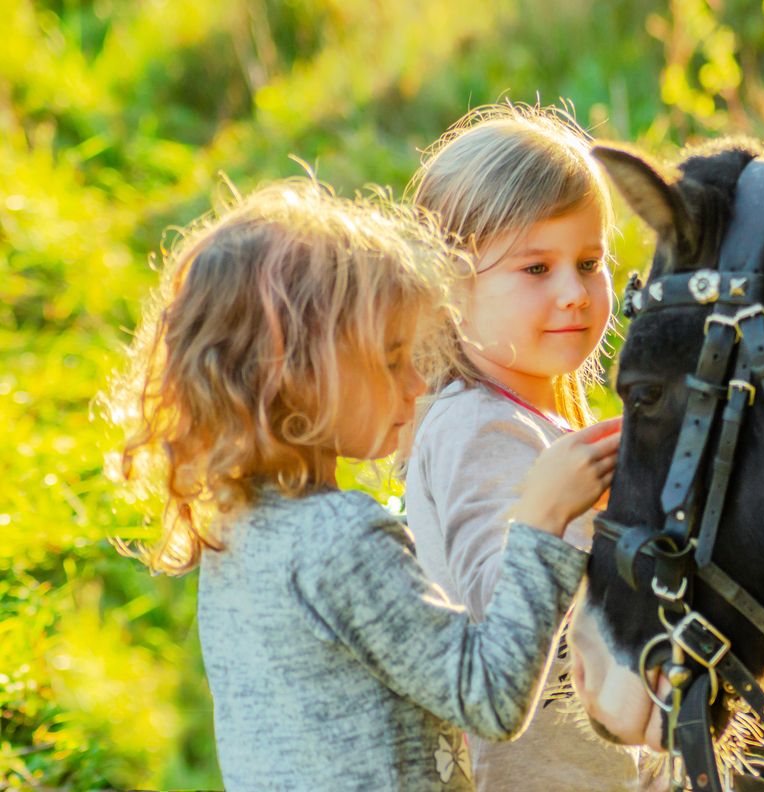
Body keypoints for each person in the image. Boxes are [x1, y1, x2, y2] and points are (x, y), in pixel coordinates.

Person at [103, 178, 622, 791]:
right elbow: (491, 698)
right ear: (300, 372)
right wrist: (543, 520)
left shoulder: (242, 529)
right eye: (392, 358)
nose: (417, 383)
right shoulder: (343, 539)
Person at [403, 104, 646, 791]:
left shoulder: (531, 412)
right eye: (536, 269)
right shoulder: (475, 428)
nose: (575, 293)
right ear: (451, 288)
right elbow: (493, 610)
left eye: (589, 262)